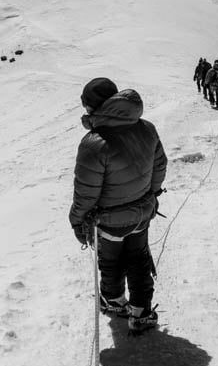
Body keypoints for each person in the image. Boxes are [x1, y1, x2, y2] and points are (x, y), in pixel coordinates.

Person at [70, 77, 167, 333]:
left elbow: (85, 192)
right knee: (139, 259)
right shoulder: (147, 128)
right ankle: (141, 312)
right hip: (141, 214)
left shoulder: (94, 142)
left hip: (108, 222)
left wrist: (77, 221)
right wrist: (152, 194)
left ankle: (114, 302)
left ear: (94, 107)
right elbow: (159, 166)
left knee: (111, 262)